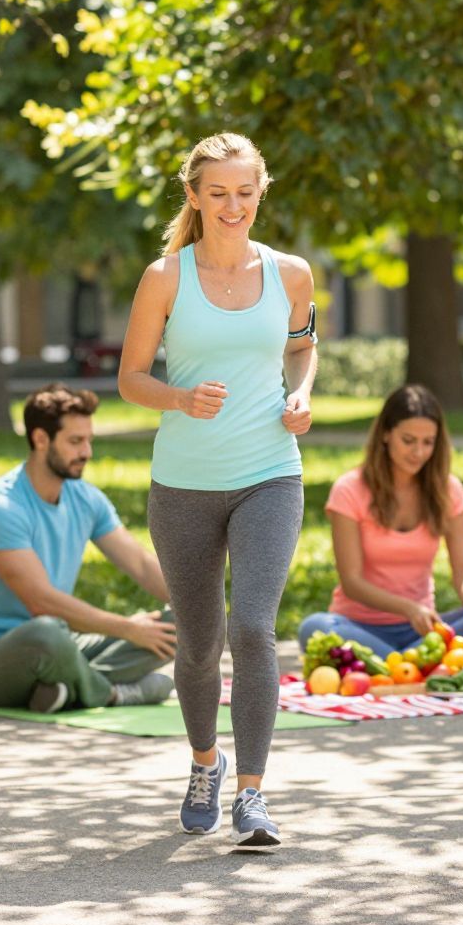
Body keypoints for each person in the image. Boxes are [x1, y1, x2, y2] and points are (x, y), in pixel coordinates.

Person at [118, 132, 316, 851]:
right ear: (195, 197)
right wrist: (177, 399)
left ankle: (253, 794)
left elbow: (302, 344)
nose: (234, 206)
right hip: (184, 484)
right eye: (219, 193)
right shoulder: (165, 277)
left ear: (262, 191)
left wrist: (304, 396)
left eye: (246, 191)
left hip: (270, 472)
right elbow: (130, 377)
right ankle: (206, 762)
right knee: (199, 646)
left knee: (253, 629)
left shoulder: (291, 273)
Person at [0, 384, 177, 713]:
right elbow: (40, 602)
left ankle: (61, 689)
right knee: (47, 633)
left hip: (66, 646)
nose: (87, 452)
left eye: (89, 440)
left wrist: (197, 605)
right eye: (75, 442)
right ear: (41, 439)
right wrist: (129, 628)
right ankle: (113, 693)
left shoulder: (85, 498)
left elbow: (140, 565)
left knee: (186, 621)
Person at [297, 384, 463, 656]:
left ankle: (395, 663)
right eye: (408, 440)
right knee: (314, 628)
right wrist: (409, 609)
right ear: (386, 434)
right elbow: (352, 582)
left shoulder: (448, 490)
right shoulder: (349, 490)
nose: (418, 452)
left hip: (424, 627)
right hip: (359, 627)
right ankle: (420, 659)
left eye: (427, 442)